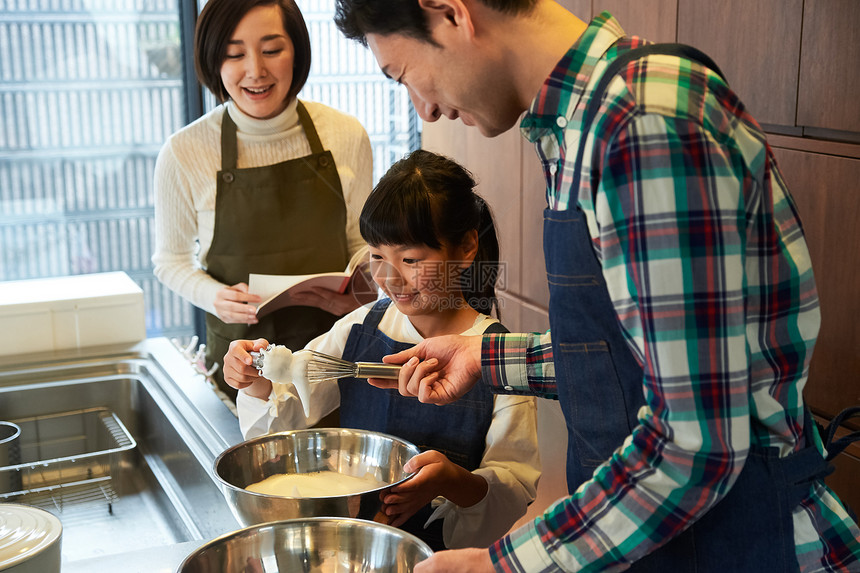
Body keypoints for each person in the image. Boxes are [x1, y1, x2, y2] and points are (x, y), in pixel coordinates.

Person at [332, 1, 860, 571]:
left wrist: (500, 565)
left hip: (743, 544)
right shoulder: (580, 128)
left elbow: (693, 447)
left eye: (405, 76)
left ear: (451, 12)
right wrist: (486, 356)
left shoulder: (642, 123)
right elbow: (638, 356)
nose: (425, 109)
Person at [223, 149, 541, 552]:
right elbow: (280, 426)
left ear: (465, 248)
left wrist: (452, 481)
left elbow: (511, 494)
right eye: (376, 256)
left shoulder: (498, 359)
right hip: (351, 551)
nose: (390, 278)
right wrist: (256, 380)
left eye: (409, 259)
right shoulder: (360, 329)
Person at [152, 0, 372, 402]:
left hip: (334, 360)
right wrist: (214, 297)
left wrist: (362, 287)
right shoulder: (185, 151)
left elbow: (362, 243)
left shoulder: (345, 134)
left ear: (298, 51)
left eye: (272, 50)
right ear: (213, 59)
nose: (255, 70)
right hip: (243, 370)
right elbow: (170, 262)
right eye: (235, 54)